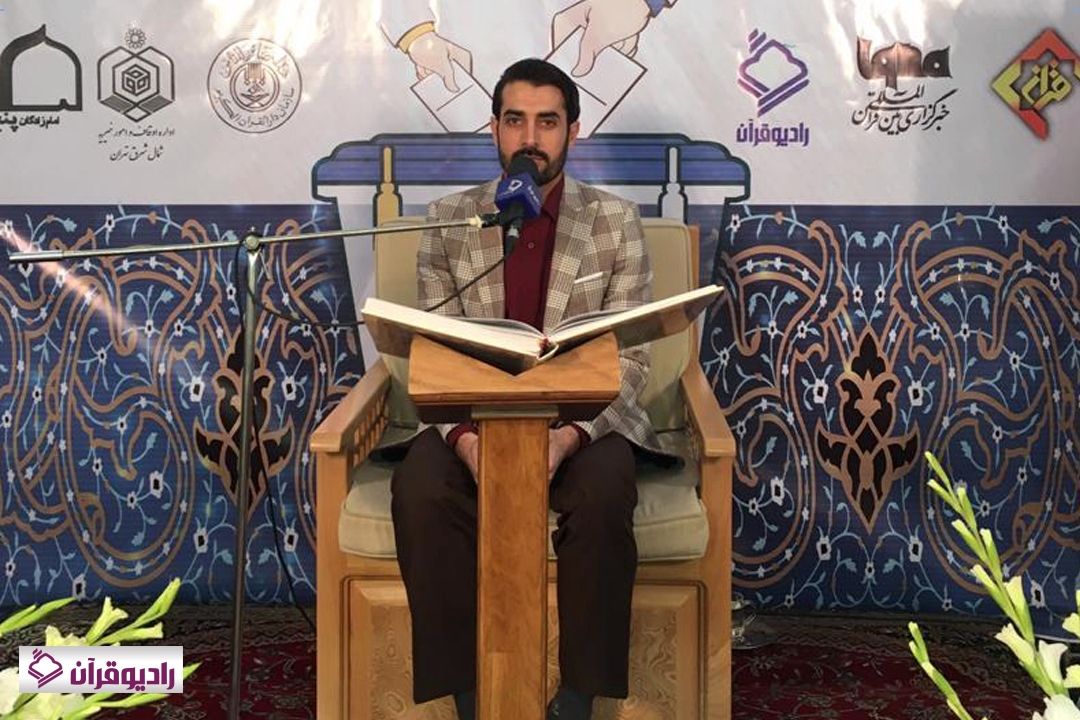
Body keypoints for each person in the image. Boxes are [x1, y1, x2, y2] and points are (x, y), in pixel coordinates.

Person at [390, 57, 663, 720]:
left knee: (603, 496)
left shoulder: (615, 221)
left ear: (574, 130)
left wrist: (567, 439)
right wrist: (466, 442)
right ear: (494, 129)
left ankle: (577, 698)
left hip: (582, 417)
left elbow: (633, 358)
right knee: (420, 489)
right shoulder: (452, 219)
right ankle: (470, 695)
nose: (530, 138)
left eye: (547, 122)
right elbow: (435, 350)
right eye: (515, 121)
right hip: (471, 415)